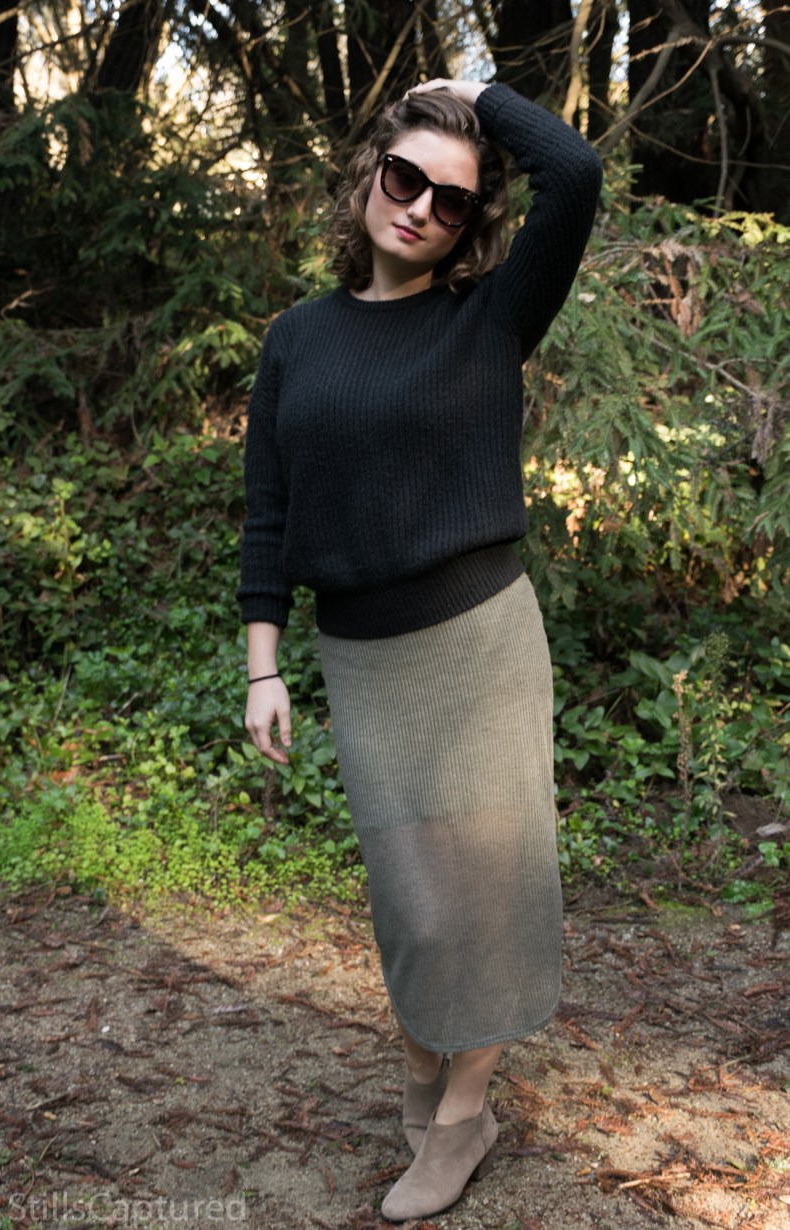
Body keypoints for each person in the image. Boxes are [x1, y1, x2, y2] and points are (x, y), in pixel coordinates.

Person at [237, 76, 602, 1222]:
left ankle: (458, 1116)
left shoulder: (489, 315)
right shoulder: (298, 338)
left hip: (481, 640)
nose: (420, 210)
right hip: (365, 659)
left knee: (487, 894)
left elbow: (577, 176)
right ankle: (423, 1066)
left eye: (451, 201)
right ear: (367, 178)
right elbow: (267, 512)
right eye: (404, 179)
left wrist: (473, 98)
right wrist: (263, 663)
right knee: (413, 901)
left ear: (470, 222)